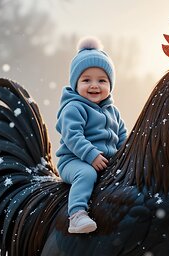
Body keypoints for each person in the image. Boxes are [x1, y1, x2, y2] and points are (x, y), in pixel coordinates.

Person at [56, 37, 127, 234]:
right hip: (74, 160)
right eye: (86, 80)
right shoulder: (74, 107)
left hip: (104, 161)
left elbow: (122, 136)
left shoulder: (113, 111)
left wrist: (127, 156)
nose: (94, 85)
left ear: (110, 85)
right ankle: (77, 215)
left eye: (102, 80)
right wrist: (91, 154)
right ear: (75, 84)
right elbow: (72, 136)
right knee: (86, 174)